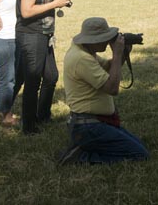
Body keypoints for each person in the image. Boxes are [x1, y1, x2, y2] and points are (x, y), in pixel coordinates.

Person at [58, 17, 149, 165]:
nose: (108, 41)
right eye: (105, 38)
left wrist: (123, 55)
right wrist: (118, 54)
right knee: (139, 154)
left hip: (93, 122)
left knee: (138, 144)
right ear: (94, 40)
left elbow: (107, 67)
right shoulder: (81, 58)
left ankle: (86, 147)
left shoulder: (83, 49)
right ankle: (80, 157)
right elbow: (112, 88)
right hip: (89, 126)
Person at [16, 0, 72, 134]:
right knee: (33, 81)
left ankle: (43, 117)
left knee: (51, 77)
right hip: (32, 35)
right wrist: (54, 4)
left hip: (43, 34)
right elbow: (26, 11)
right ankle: (29, 127)